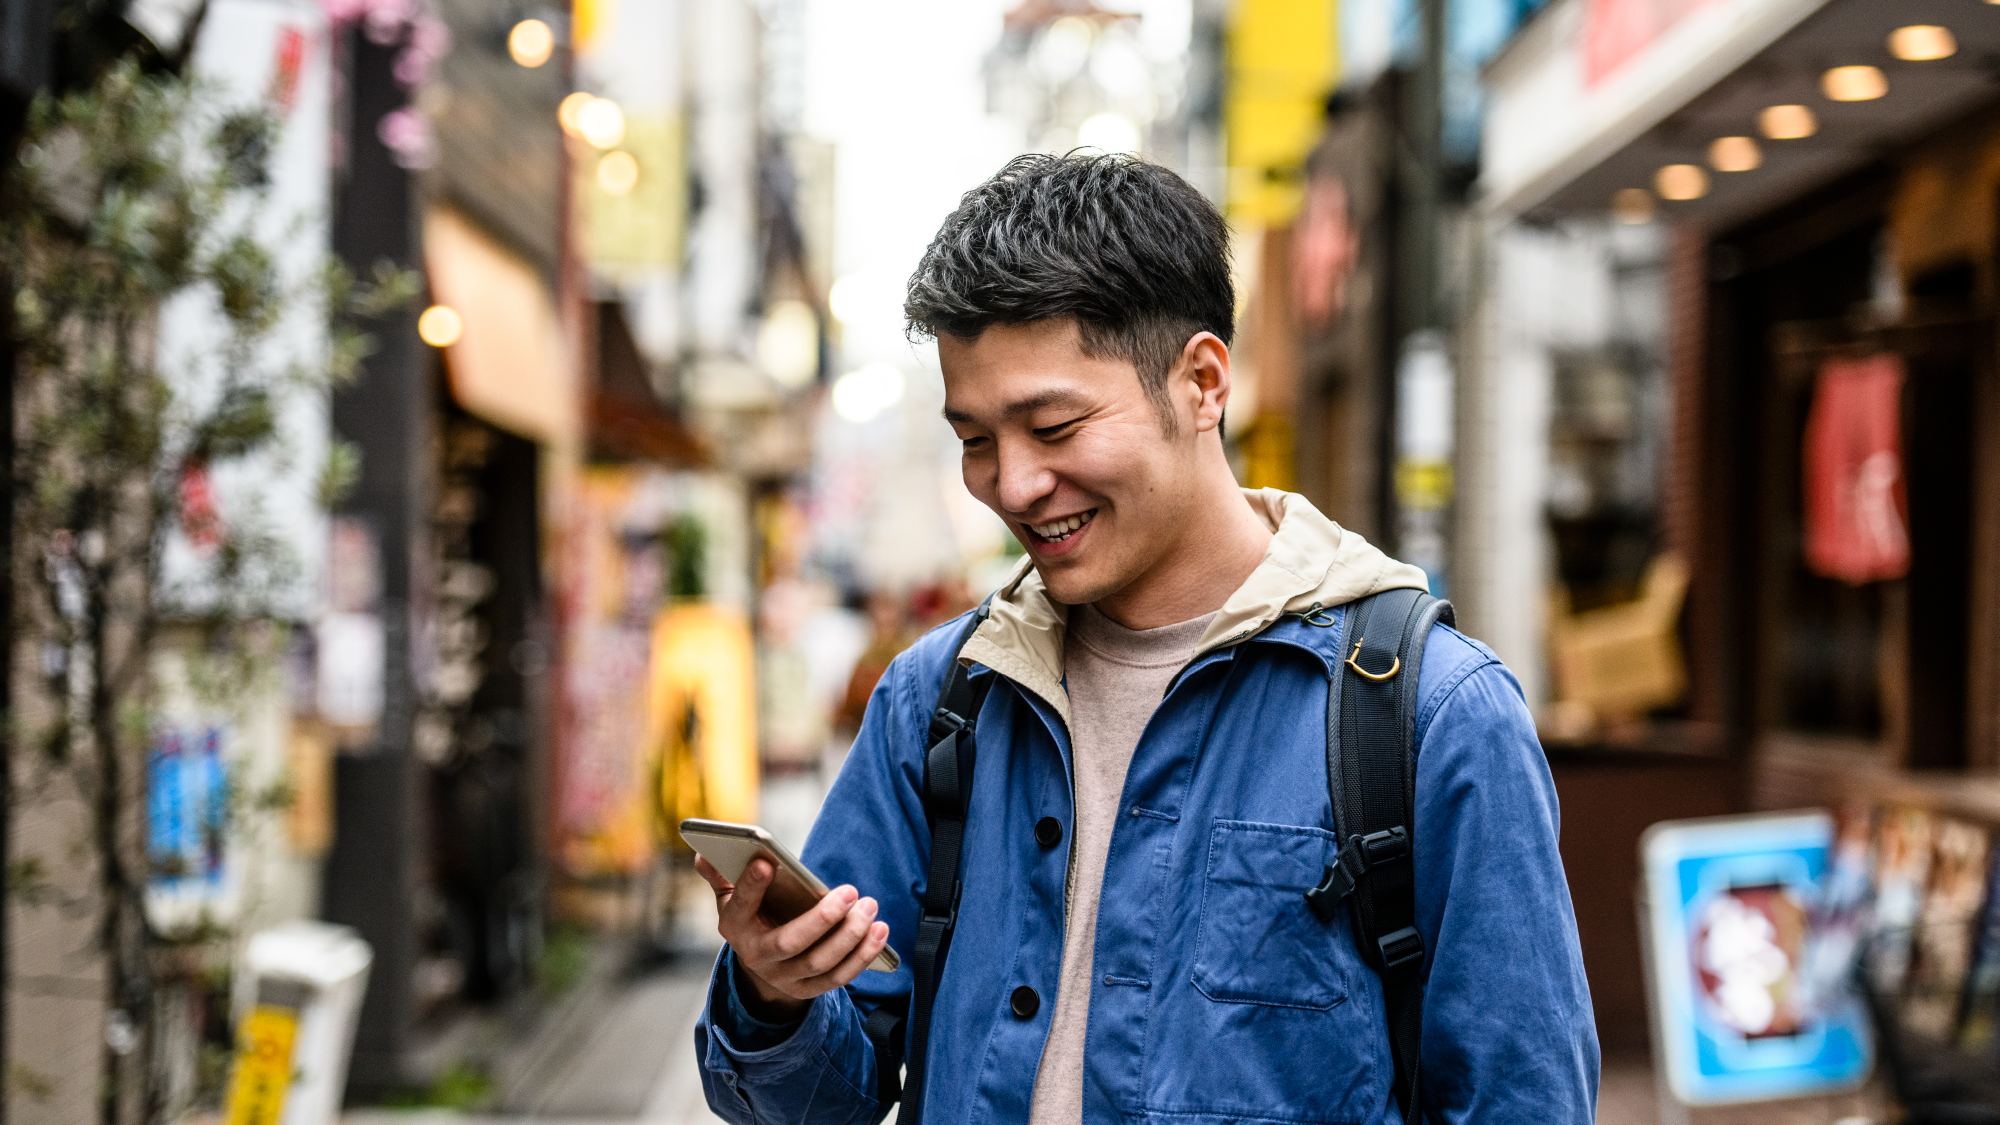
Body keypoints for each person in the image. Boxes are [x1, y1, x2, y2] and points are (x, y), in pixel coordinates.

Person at [693, 153, 1599, 1125]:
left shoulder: (1430, 716)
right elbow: (812, 1102)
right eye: (975, 440)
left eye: (1053, 425)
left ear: (1202, 382)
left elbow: (1521, 1097)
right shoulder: (937, 702)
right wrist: (774, 994)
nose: (1012, 484)